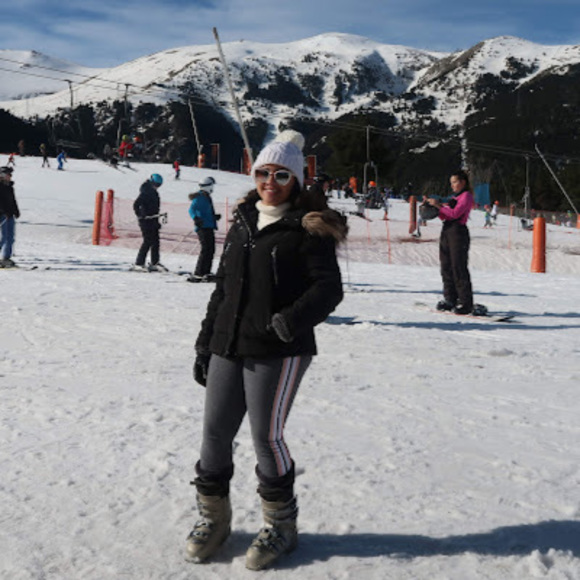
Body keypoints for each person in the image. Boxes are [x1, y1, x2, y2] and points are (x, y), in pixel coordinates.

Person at [185, 130, 347, 571]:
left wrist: (289, 321)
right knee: (214, 434)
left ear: (295, 180)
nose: (269, 182)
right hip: (229, 342)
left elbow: (328, 289)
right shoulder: (243, 220)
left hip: (279, 348)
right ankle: (214, 519)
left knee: (265, 437)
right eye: (262, 173)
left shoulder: (307, 227)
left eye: (280, 175)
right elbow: (224, 287)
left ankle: (281, 525)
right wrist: (206, 342)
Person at [427, 169, 475, 315]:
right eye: (451, 183)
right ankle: (450, 298)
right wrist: (433, 208)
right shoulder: (454, 197)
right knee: (446, 266)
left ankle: (465, 302)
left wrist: (439, 206)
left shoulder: (466, 196)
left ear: (463, 182)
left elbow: (455, 213)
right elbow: (445, 215)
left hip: (458, 232)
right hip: (447, 230)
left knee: (458, 266)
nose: (452, 185)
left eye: (454, 182)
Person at [187, 176, 220, 282]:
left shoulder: (206, 197)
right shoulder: (200, 197)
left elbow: (205, 211)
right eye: (212, 186)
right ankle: (199, 272)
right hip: (203, 227)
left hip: (209, 226)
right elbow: (191, 209)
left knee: (211, 249)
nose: (213, 188)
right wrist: (196, 218)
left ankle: (206, 271)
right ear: (208, 186)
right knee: (206, 249)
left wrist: (214, 217)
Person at [132, 174, 165, 271]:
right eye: (156, 184)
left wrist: (156, 221)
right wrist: (140, 214)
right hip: (145, 221)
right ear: (151, 182)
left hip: (153, 220)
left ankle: (155, 262)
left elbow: (155, 209)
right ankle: (139, 263)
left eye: (159, 185)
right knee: (147, 241)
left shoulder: (154, 192)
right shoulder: (146, 191)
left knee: (155, 241)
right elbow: (136, 204)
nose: (157, 187)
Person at [0, 166, 20, 268]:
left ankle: (6, 257)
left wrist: (16, 211)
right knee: (3, 237)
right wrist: (4, 212)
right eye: (8, 174)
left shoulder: (9, 187)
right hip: (2, 215)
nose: (10, 176)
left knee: (10, 237)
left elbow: (13, 200)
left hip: (10, 215)